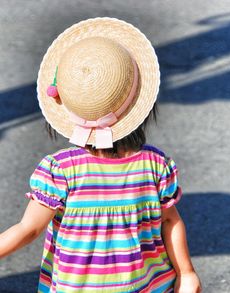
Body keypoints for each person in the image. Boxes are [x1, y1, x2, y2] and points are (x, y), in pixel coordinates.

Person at [0, 17, 201, 293]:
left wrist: (188, 272)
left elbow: (28, 229)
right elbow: (170, 220)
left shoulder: (60, 171)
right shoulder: (155, 166)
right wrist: (186, 272)